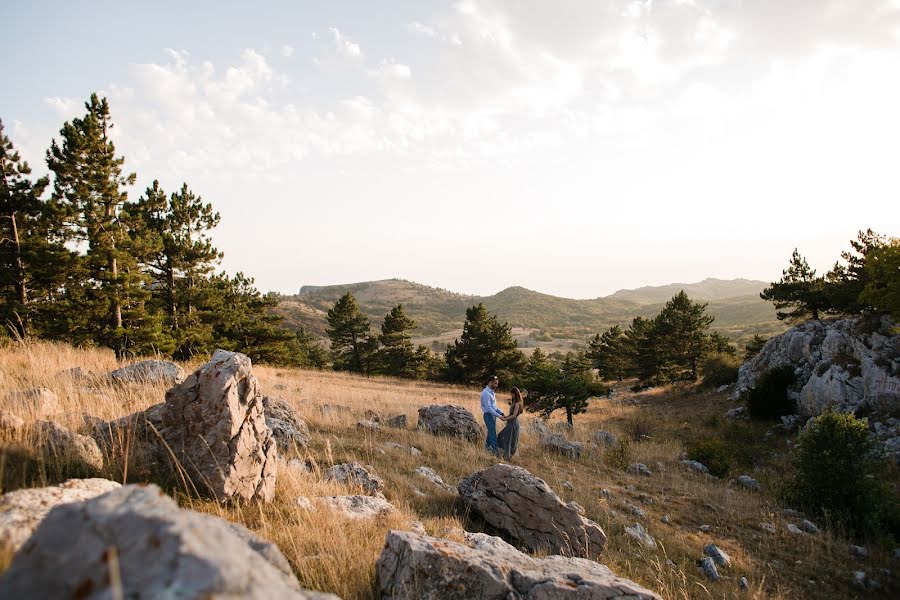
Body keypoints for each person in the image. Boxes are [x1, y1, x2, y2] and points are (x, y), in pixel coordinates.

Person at [496, 387, 523, 459]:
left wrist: (505, 419)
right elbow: (511, 414)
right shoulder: (514, 402)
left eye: (512, 394)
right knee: (502, 436)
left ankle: (508, 456)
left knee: (509, 439)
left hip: (513, 424)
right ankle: (505, 454)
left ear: (515, 394)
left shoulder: (517, 403)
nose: (511, 396)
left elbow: (514, 415)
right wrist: (505, 417)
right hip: (510, 422)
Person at [480, 375, 504, 454]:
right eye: (495, 383)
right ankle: (494, 451)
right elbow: (489, 408)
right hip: (488, 415)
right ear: (490, 382)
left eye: (497, 383)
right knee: (492, 433)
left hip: (493, 415)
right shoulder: (486, 393)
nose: (496, 385)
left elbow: (494, 406)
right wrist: (499, 416)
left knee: (490, 432)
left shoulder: (492, 392)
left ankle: (487, 448)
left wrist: (501, 412)